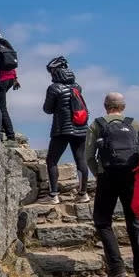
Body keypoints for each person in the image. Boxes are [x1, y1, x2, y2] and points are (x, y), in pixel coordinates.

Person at [85, 92, 139, 277]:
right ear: (123, 107)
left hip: (108, 177)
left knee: (103, 221)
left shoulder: (97, 124)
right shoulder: (136, 124)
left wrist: (99, 174)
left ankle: (117, 269)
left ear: (106, 106)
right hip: (133, 178)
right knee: (135, 223)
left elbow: (89, 155)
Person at [42, 56, 89, 204]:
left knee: (52, 160)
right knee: (80, 159)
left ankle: (53, 195)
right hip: (81, 128)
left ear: (55, 72)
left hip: (61, 129)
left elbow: (47, 109)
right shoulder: (77, 87)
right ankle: (83, 194)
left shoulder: (54, 88)